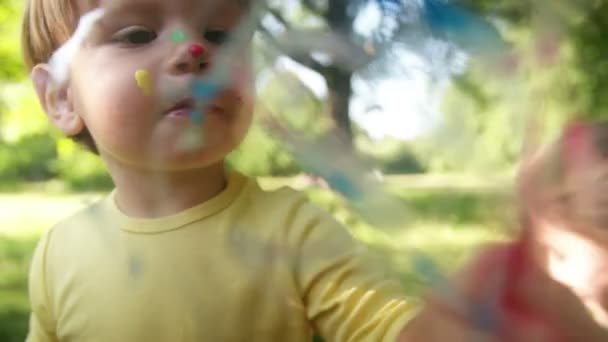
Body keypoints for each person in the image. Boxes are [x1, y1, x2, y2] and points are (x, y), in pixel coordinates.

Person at [21, 0, 608, 341]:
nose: (193, 50)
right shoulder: (56, 253)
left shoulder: (295, 233)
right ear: (60, 99)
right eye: (138, 33)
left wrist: (475, 315)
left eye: (221, 35)